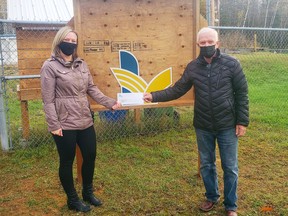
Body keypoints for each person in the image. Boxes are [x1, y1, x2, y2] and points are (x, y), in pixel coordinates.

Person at [143, 27, 249, 216]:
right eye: (203, 43)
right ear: (198, 44)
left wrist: (242, 122)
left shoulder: (232, 64)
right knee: (207, 164)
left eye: (210, 42)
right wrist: (153, 95)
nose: (207, 45)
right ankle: (211, 197)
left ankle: (231, 205)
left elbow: (242, 94)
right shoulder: (193, 67)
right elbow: (177, 89)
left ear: (218, 44)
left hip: (227, 125)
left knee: (230, 167)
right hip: (203, 125)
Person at [40, 26, 121, 213]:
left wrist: (110, 103)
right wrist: (53, 124)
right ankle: (73, 199)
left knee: (90, 155)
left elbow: (91, 88)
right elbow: (47, 99)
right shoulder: (50, 66)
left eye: (73, 41)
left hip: (85, 119)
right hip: (64, 122)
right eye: (66, 40)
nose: (70, 44)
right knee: (67, 161)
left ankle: (87, 192)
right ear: (59, 41)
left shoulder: (81, 64)